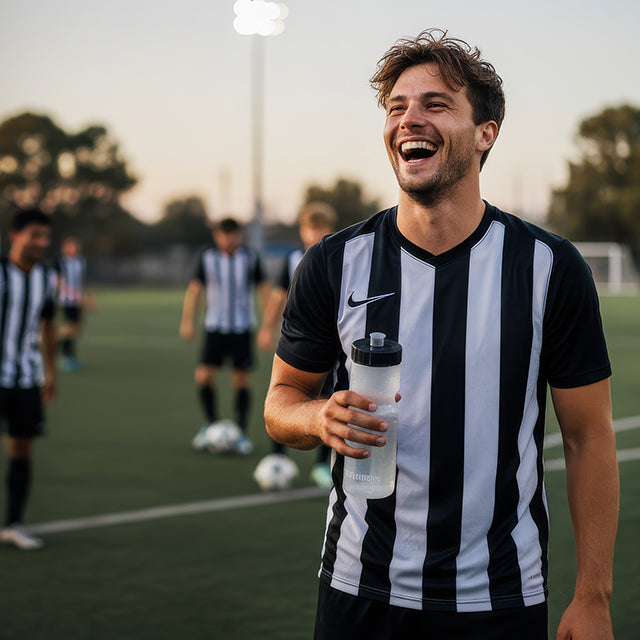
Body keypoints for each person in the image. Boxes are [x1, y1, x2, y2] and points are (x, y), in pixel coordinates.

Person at [264, 29, 618, 639]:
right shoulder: (333, 263)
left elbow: (588, 436)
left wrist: (593, 596)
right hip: (359, 591)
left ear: (486, 134)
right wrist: (318, 418)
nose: (408, 120)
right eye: (396, 107)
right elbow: (281, 402)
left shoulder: (549, 269)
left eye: (435, 104)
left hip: (500, 596)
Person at [257, 202, 337, 488]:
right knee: (285, 395)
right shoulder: (293, 259)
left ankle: (322, 466)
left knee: (330, 396)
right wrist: (267, 328)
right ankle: (278, 457)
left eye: (321, 227)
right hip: (295, 342)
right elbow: (278, 297)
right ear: (303, 230)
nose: (315, 233)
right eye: (311, 227)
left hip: (331, 341)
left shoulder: (337, 256)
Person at [180, 217, 269, 455]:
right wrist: (188, 320)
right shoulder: (206, 258)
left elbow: (264, 290)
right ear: (216, 236)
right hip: (214, 327)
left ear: (239, 235)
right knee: (204, 376)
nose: (228, 240)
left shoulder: (251, 258)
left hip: (241, 328)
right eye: (223, 235)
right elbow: (195, 290)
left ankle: (239, 432)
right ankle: (210, 424)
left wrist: (267, 325)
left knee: (241, 379)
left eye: (232, 235)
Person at [0, 209, 57, 550]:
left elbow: (48, 325)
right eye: (34, 235)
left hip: (25, 377)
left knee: (22, 448)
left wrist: (50, 370)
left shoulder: (45, 277)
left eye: (44, 237)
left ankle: (13, 524)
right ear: (15, 235)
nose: (41, 243)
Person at [55, 235, 94, 372]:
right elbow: (59, 284)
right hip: (67, 300)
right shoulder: (59, 262)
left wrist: (87, 298)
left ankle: (68, 355)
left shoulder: (80, 261)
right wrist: (76, 296)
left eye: (75, 245)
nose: (73, 248)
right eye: (70, 246)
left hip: (78, 299)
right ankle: (64, 354)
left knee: (76, 329)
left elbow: (81, 282)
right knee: (71, 327)